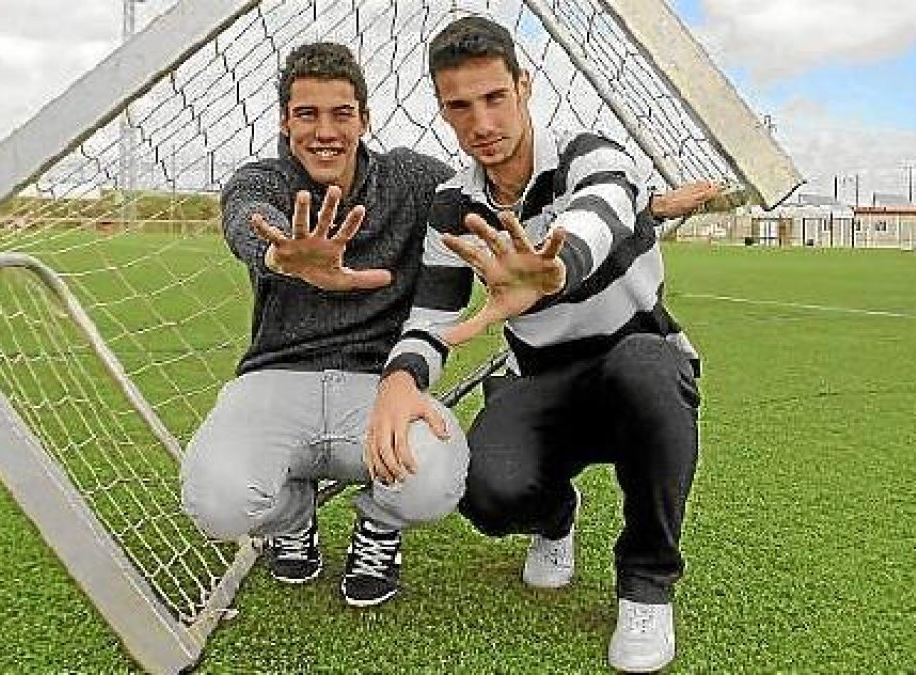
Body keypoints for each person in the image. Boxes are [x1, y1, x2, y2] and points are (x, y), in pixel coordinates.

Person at [367, 17, 720, 671]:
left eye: (494, 97)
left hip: (633, 363)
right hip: (541, 379)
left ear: (524, 86)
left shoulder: (591, 155)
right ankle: (556, 515)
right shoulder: (451, 206)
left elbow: (602, 208)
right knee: (488, 491)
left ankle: (646, 581)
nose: (481, 123)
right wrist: (399, 380)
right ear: (442, 110)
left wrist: (554, 270)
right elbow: (432, 316)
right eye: (460, 106)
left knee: (650, 366)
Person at [181, 42, 468, 608]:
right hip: (277, 377)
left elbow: (486, 192)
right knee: (217, 503)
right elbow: (244, 213)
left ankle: (378, 526)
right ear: (284, 122)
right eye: (307, 114)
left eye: (341, 114)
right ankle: (295, 519)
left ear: (365, 118)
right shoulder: (265, 179)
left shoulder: (412, 179)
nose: (325, 132)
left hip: (380, 385)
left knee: (433, 481)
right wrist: (281, 254)